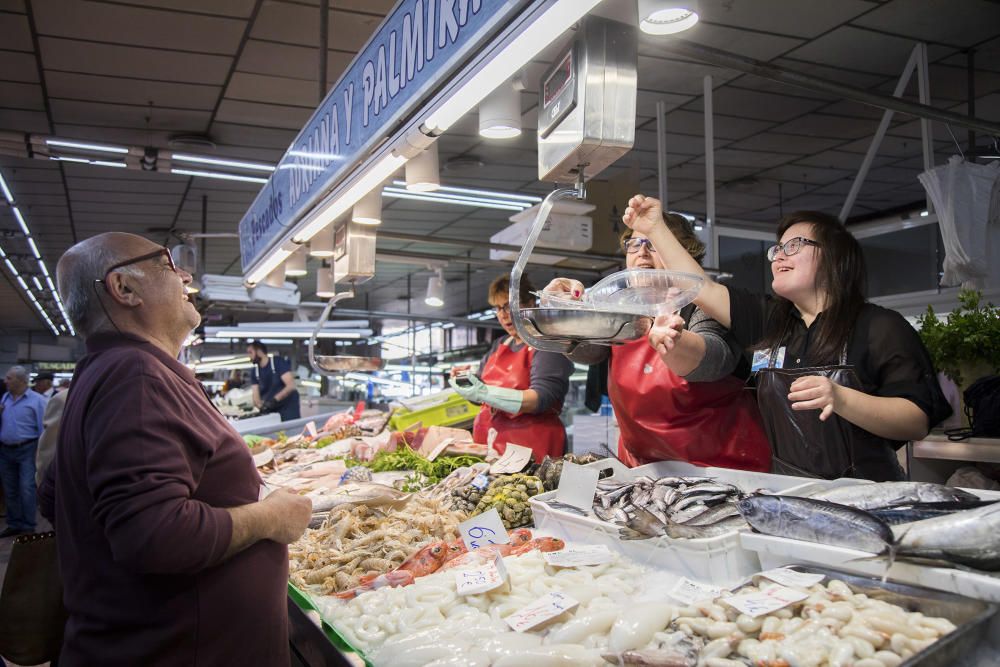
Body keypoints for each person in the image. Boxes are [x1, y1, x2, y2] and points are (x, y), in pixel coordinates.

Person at [38, 232, 312, 666]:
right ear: (123, 288)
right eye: (167, 265)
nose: (186, 275)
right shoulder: (135, 376)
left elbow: (56, 495)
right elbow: (152, 536)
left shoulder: (104, 371)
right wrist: (269, 517)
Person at [621, 194, 951, 481]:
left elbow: (916, 421)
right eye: (777, 249)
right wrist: (655, 229)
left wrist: (843, 397)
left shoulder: (880, 327)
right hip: (788, 491)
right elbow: (701, 288)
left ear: (834, 257)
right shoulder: (770, 321)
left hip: (867, 494)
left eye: (794, 246)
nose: (779, 256)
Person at [544, 215, 772, 471]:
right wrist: (566, 313)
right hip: (643, 468)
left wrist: (675, 341)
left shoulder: (705, 305)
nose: (641, 252)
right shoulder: (619, 309)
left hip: (719, 468)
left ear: (681, 254)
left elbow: (715, 359)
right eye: (634, 244)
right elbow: (590, 351)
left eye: (653, 244)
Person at [449, 275, 574, 460]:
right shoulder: (499, 345)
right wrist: (469, 382)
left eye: (508, 306)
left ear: (530, 303)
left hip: (531, 447)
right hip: (491, 445)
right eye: (498, 308)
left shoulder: (547, 345)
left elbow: (540, 399)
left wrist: (484, 392)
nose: (503, 314)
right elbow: (481, 397)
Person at [0, 365, 47, 537]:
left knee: (26, 487)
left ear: (21, 381)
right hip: (6, 450)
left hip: (27, 448)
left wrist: (40, 453)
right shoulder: (5, 398)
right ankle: (14, 523)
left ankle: (28, 525)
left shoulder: (37, 400)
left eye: (9, 378)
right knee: (10, 488)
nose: (5, 381)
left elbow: (44, 428)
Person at [248, 340, 301, 422]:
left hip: (288, 408)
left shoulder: (278, 363)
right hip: (272, 409)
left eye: (250, 352)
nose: (249, 356)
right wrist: (260, 406)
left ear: (259, 352)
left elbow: (291, 385)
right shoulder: (255, 372)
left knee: (290, 431)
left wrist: (275, 400)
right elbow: (255, 394)